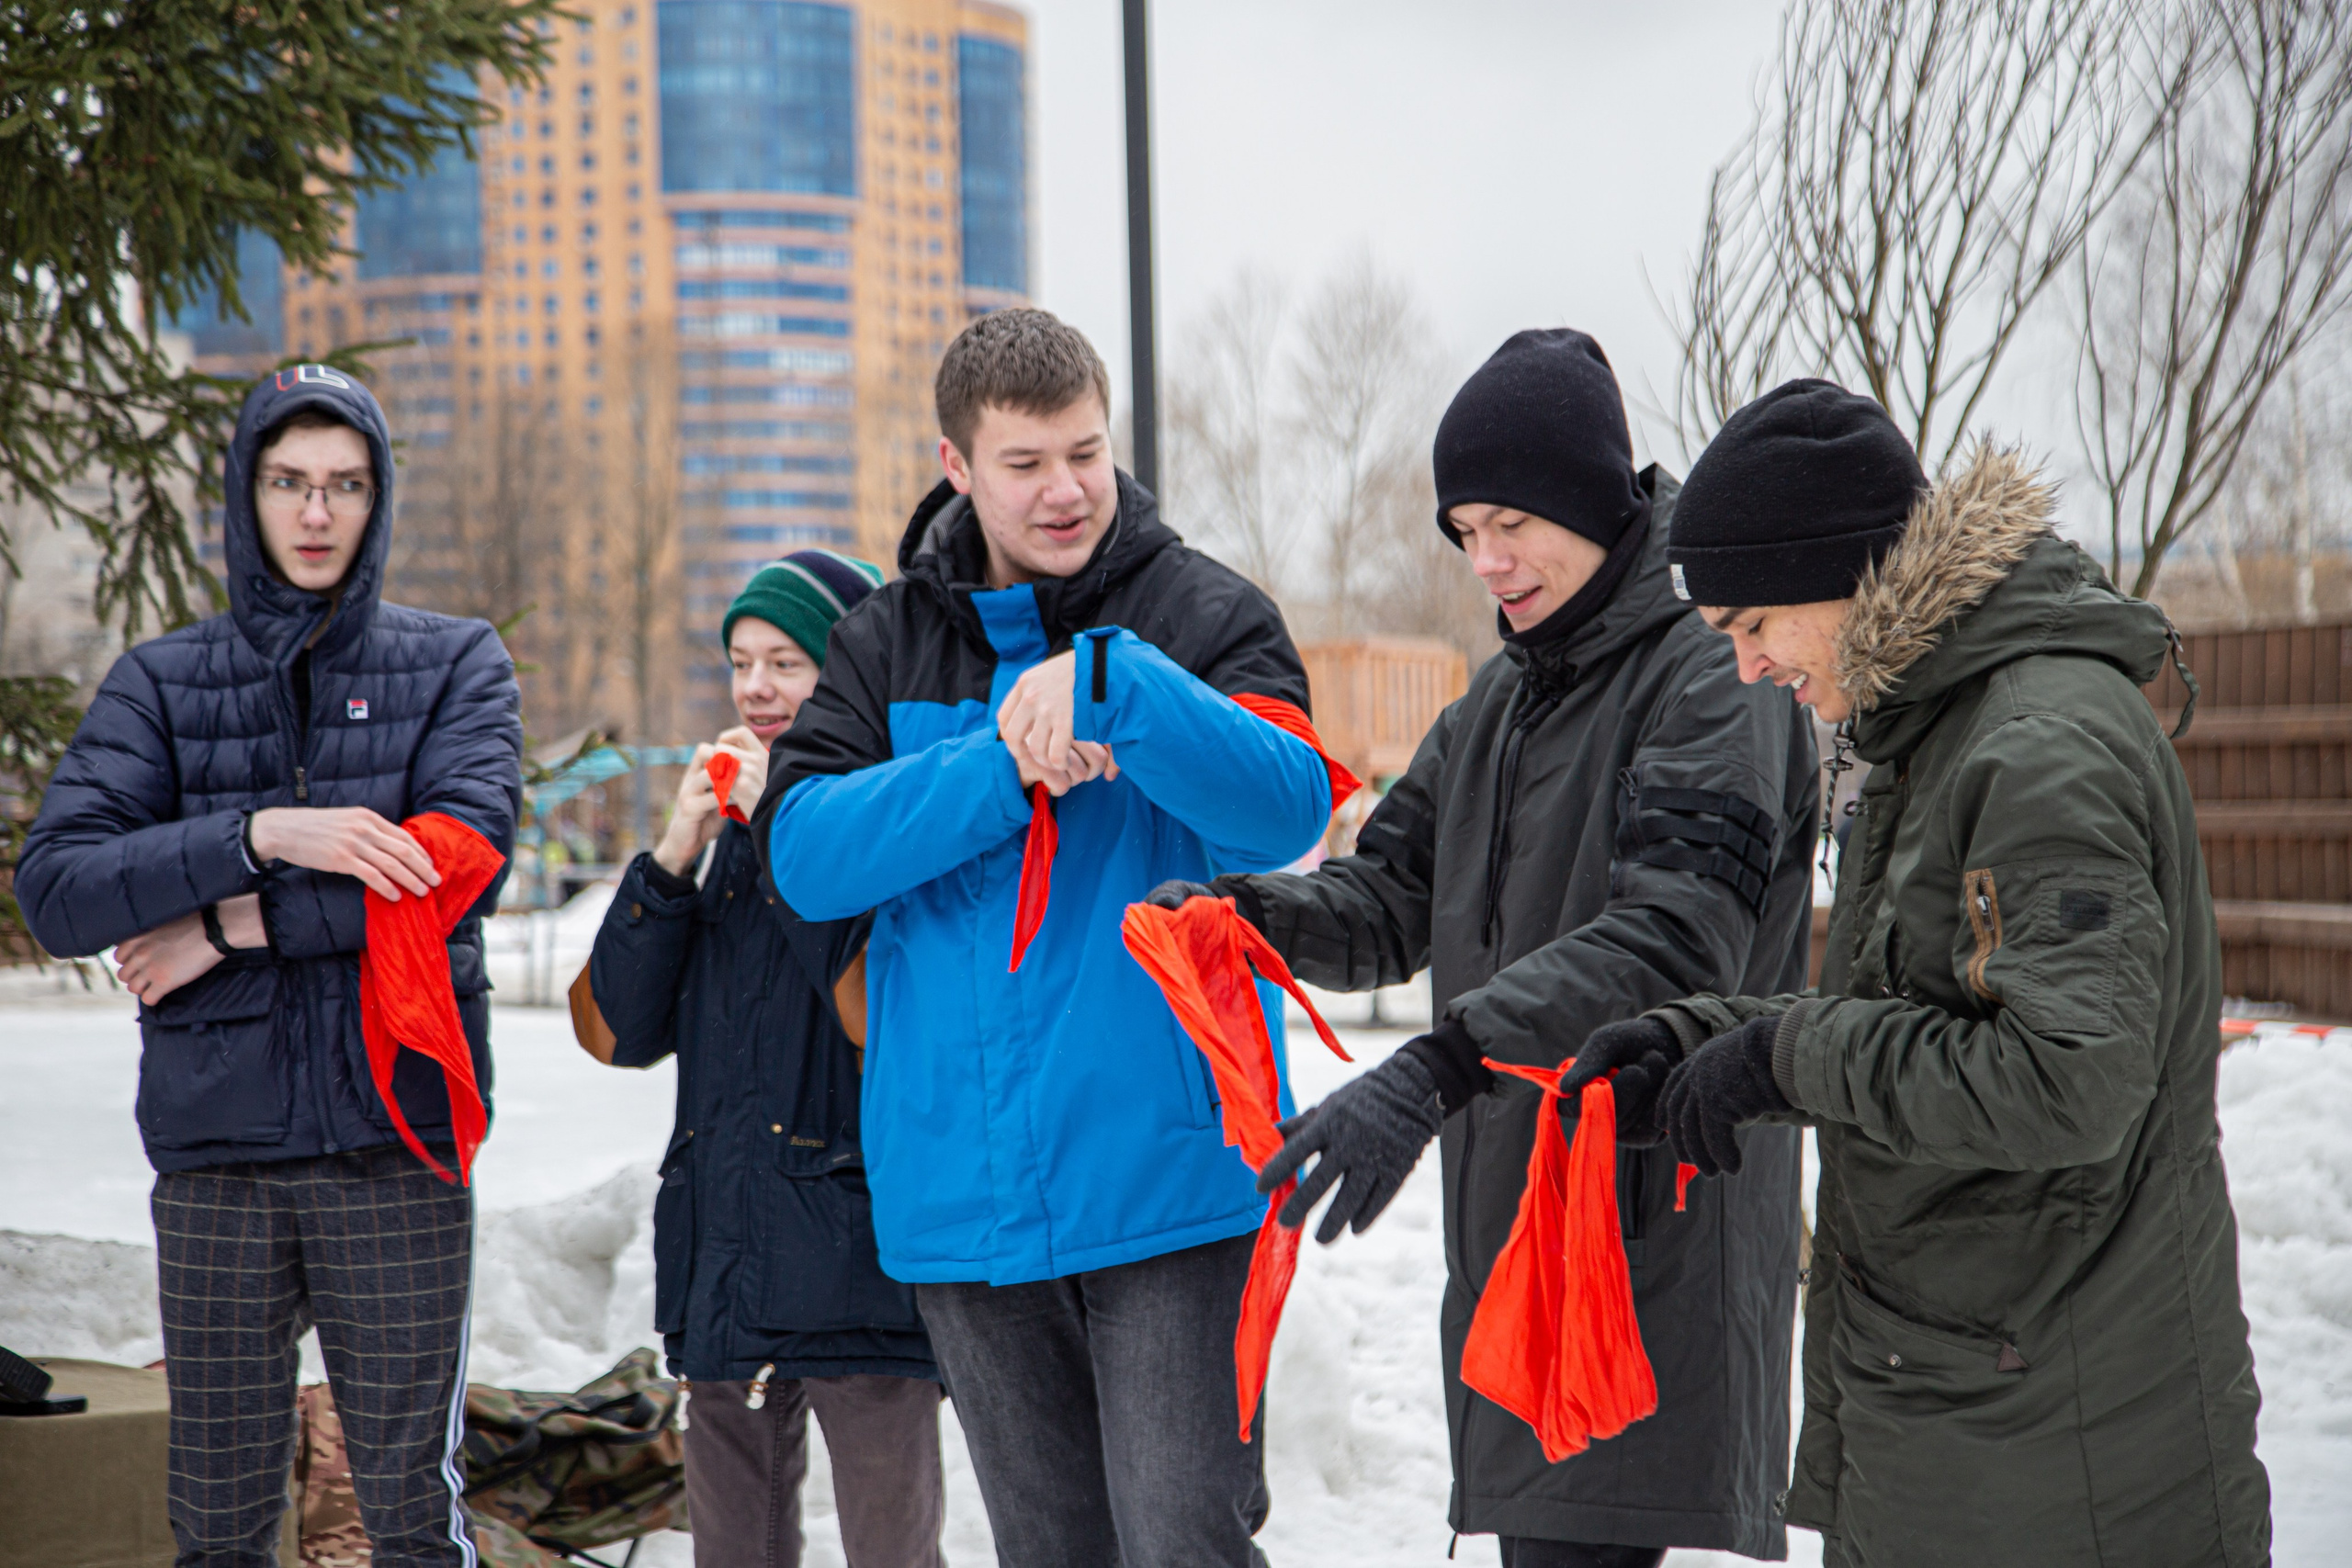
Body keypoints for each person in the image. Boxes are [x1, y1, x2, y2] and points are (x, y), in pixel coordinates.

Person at [1151, 329, 1818, 1566]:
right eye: (1463, 529)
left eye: (1510, 519)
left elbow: (1681, 934)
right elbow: (1393, 896)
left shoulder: (1717, 671)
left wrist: (1440, 1064)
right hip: (1519, 1236)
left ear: (1593, 498)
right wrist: (1246, 912)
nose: (1486, 559)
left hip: (1645, 1236)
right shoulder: (1500, 699)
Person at [1609, 378, 2269, 1567]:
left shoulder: (2037, 742)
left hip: (2065, 1448)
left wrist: (1785, 1052)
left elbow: (2065, 1074)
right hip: (1965, 1405)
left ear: (1849, 574)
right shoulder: (1935, 730)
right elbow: (1917, 1015)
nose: (1750, 665)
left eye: (1754, 622)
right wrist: (1711, 1033)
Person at [750, 308, 1335, 1566]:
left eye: (1085, 450)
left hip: (1174, 1181)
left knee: (1185, 1540)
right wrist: (999, 764)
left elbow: (1288, 804)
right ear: (957, 464)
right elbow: (801, 852)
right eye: (1026, 462)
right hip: (966, 1198)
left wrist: (1125, 686)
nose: (1068, 488)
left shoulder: (1202, 608)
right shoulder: (880, 638)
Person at [18, 365, 522, 1568]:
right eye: (289, 482)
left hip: (393, 1139)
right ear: (245, 494)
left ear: (378, 499)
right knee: (221, 1519)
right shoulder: (163, 681)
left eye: (345, 485)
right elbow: (58, 887)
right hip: (219, 1155)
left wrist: (230, 924)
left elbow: (456, 866)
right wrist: (255, 834)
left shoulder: (456, 663)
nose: (315, 513)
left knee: (409, 1512)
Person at [586, 550, 946, 1568]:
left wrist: (784, 818)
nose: (755, 688)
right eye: (741, 662)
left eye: (786, 662)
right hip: (726, 1273)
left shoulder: (895, 809)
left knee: (894, 1553)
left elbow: (879, 1009)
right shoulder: (728, 835)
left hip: (859, 1271)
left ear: (850, 670)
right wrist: (669, 859)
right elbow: (616, 1030)